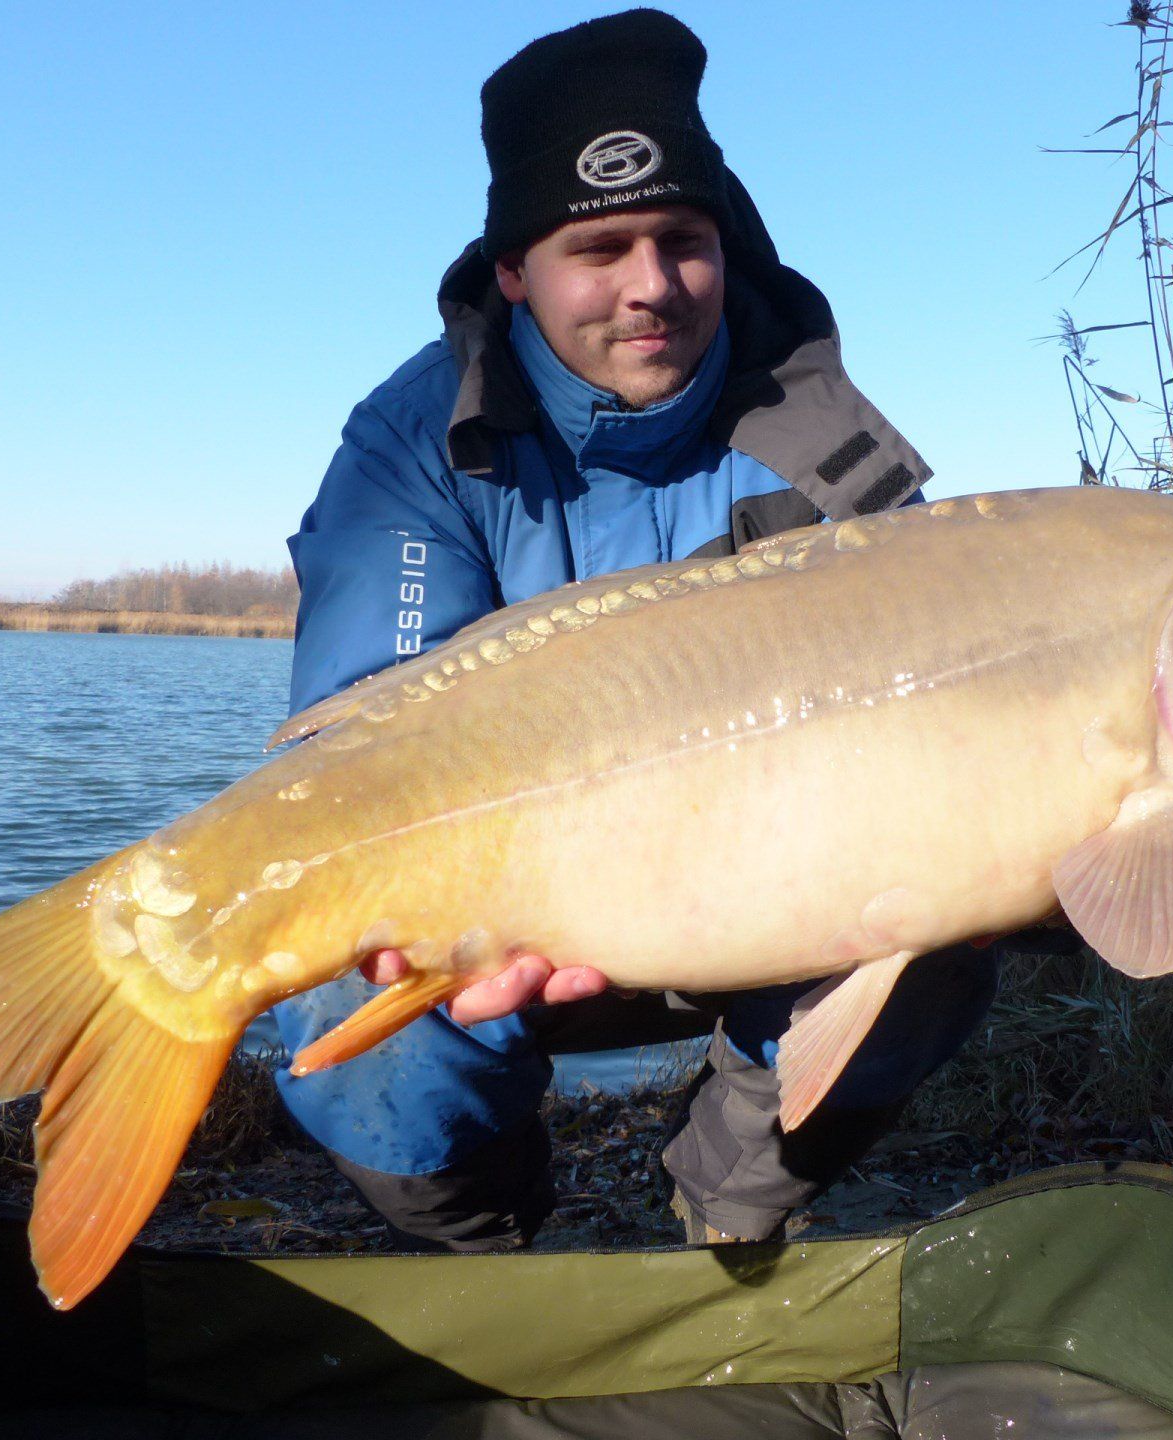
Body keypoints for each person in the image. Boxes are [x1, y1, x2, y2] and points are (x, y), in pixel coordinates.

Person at [273, 7, 1004, 1253]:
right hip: (512, 907)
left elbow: (942, 714)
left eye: (684, 239)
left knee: (951, 916)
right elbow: (361, 743)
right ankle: (489, 1245)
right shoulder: (412, 445)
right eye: (598, 248)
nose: (652, 286)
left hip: (772, 888)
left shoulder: (824, 439)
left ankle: (724, 1216)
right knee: (347, 1004)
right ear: (515, 271)